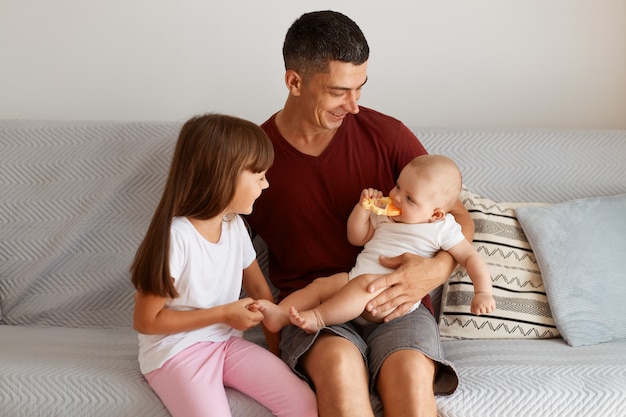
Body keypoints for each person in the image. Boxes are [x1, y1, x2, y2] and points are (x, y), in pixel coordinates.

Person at [246, 10, 474, 417]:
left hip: (397, 303)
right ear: (294, 81)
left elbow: (456, 215)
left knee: (408, 376)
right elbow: (229, 244)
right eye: (338, 91)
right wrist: (272, 330)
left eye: (360, 88)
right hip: (318, 309)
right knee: (338, 367)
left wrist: (435, 270)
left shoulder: (386, 134)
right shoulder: (256, 156)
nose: (353, 106)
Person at [130, 114, 317, 417]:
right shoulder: (176, 238)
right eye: (258, 177)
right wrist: (223, 314)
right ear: (224, 176)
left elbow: (259, 291)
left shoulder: (235, 227)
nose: (266, 184)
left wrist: (276, 355)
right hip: (176, 353)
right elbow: (145, 321)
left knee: (304, 403)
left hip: (226, 344)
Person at [260, 155, 496, 334]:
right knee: (321, 285)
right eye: (398, 186)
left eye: (410, 198)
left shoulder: (441, 228)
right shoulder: (385, 215)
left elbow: (470, 257)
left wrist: (483, 292)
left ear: (434, 214)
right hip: (354, 282)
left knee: (363, 284)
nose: (397, 197)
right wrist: (362, 210)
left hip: (387, 300)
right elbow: (357, 237)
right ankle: (280, 315)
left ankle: (318, 319)